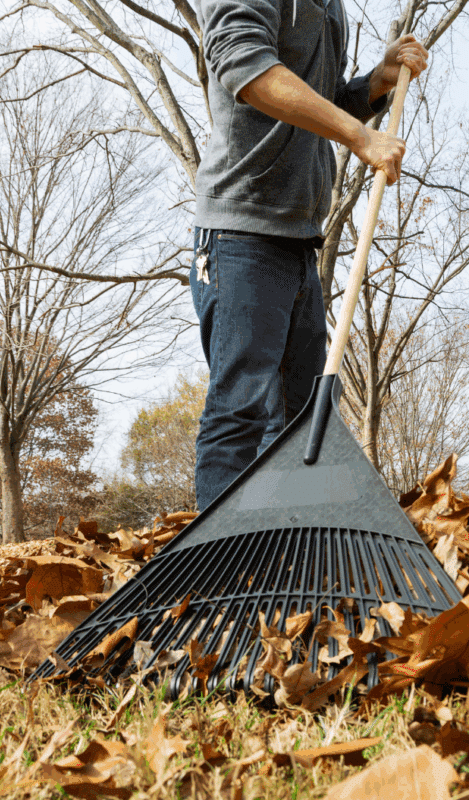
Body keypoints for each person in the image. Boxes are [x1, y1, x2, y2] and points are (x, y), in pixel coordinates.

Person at [189, 0, 428, 510]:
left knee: (298, 422)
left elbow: (322, 101)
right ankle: (216, 574)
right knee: (240, 413)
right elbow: (246, 68)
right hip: (241, 233)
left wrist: (376, 83)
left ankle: (285, 561)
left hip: (300, 240)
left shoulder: (330, 6)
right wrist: (361, 136)